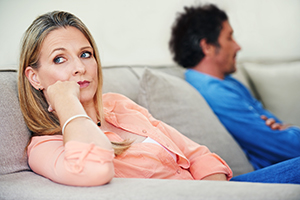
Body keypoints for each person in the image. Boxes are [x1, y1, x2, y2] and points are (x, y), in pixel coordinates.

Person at [19, 10, 300, 187]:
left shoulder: (118, 104)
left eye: (85, 54)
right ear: (34, 77)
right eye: (59, 59)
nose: (79, 67)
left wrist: (217, 194)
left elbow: (197, 154)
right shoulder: (45, 147)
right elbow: (95, 169)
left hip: (222, 191)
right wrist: (67, 103)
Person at [169, 4, 300, 170]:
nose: (238, 46)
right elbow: (288, 147)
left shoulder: (227, 82)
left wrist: (287, 129)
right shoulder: (214, 92)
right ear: (207, 47)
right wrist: (291, 129)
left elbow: (279, 129)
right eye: (229, 37)